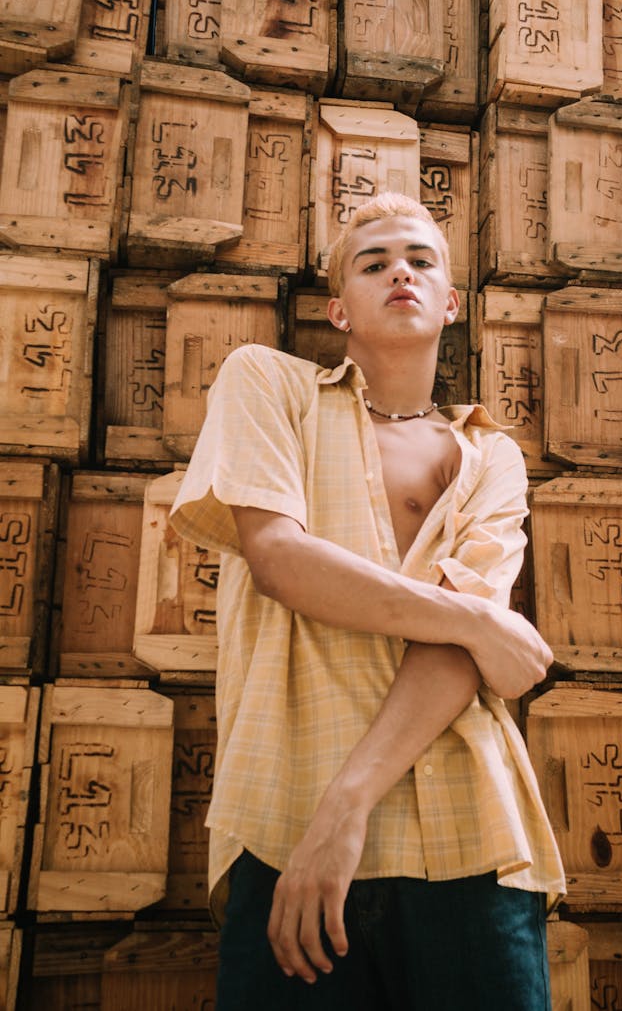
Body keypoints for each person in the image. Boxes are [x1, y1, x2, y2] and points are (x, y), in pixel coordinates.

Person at [170, 193, 566, 1010]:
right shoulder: (268, 385)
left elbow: (458, 659)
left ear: (451, 303)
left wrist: (346, 805)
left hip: (471, 837)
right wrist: (482, 618)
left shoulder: (490, 454)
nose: (400, 273)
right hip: (286, 819)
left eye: (421, 260)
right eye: (373, 261)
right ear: (337, 307)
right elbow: (281, 559)